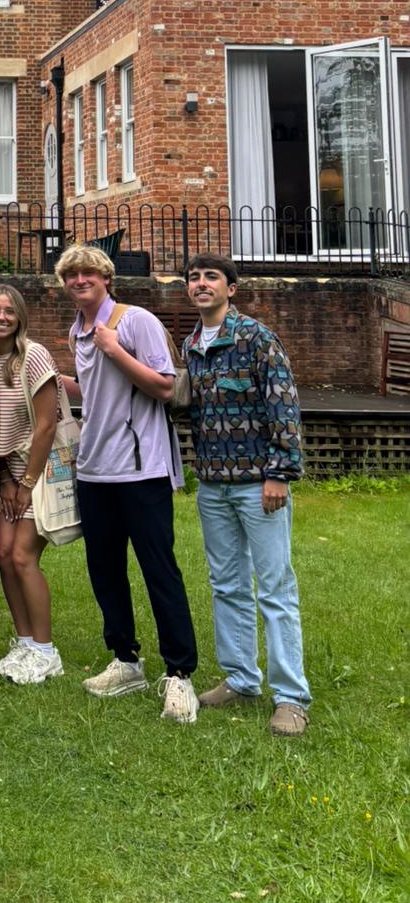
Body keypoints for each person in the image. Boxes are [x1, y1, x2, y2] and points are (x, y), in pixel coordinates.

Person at [55, 244, 199, 723]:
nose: (80, 280)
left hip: (141, 470)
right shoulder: (77, 331)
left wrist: (114, 349)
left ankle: (179, 674)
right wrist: (57, 380)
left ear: (106, 278)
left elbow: (163, 386)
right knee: (105, 570)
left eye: (88, 273)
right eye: (71, 275)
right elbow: (96, 391)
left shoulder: (135, 322)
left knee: (159, 569)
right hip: (94, 469)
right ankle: (126, 660)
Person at [184, 254, 311, 737]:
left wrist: (280, 473)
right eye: (194, 278)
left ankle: (291, 697)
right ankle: (241, 679)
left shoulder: (257, 339)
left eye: (211, 277)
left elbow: (284, 407)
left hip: (260, 485)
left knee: (275, 588)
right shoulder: (191, 345)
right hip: (213, 485)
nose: (201, 284)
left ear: (231, 288)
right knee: (227, 584)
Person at [0, 284, 65, 685]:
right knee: (2, 554)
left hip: (39, 470)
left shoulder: (33, 356)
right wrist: (8, 479)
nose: (1, 317)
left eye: (9, 311)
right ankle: (25, 642)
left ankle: (46, 652)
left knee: (22, 556)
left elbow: (46, 425)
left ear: (20, 317)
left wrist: (27, 482)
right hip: (5, 474)